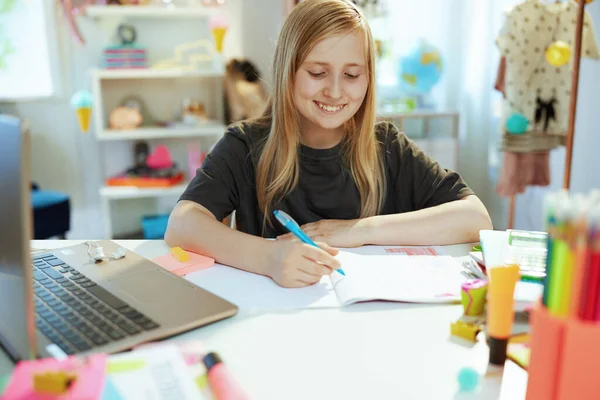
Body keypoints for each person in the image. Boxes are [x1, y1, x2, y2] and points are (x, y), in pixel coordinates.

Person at [165, 0, 492, 288]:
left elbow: (475, 218)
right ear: (287, 72)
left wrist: (360, 231)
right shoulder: (245, 145)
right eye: (318, 72)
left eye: (352, 75)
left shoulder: (387, 146)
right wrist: (269, 258)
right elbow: (182, 224)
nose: (335, 92)